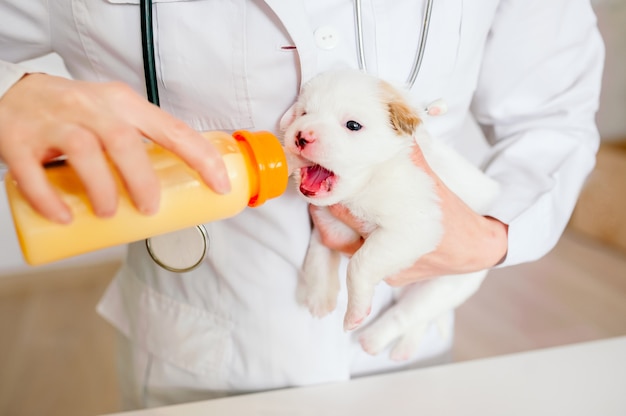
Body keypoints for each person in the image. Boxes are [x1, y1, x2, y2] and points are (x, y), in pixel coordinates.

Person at [0, 0, 604, 410]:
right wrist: (10, 93)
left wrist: (494, 236)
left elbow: (554, 112)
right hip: (201, 345)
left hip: (407, 349)